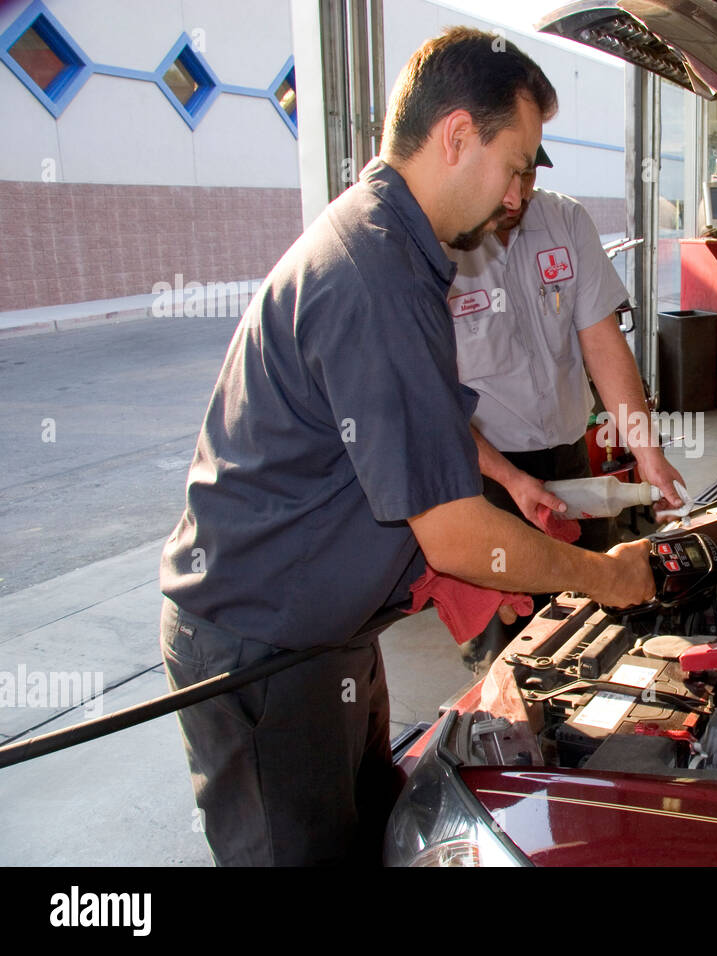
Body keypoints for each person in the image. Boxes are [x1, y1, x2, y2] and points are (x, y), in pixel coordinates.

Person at [157, 28, 654, 867]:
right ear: (457, 135)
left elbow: (409, 411)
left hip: (325, 636)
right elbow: (457, 537)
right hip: (261, 647)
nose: (515, 194)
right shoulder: (375, 271)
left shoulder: (392, 243)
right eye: (514, 163)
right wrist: (608, 578)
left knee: (370, 839)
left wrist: (500, 473)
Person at [445, 147, 686, 664]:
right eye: (510, 172)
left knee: (599, 616)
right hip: (485, 478)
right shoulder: (443, 243)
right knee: (505, 646)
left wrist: (647, 455)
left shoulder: (565, 221)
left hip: (571, 466)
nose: (519, 192)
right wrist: (509, 479)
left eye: (529, 172)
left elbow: (602, 343)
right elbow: (429, 398)